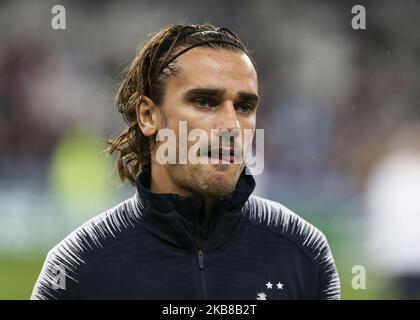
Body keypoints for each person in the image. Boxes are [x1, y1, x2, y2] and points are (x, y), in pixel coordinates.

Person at [31, 23, 340, 300]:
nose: (231, 126)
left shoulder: (304, 253)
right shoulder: (76, 267)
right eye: (205, 102)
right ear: (148, 116)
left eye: (244, 106)